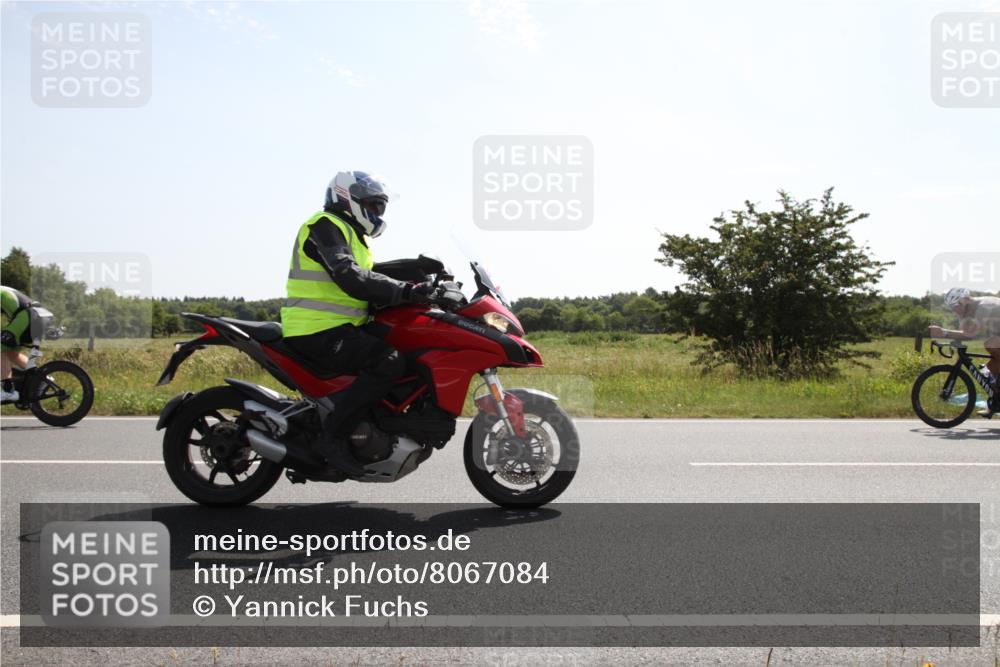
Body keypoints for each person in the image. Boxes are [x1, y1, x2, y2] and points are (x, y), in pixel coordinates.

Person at [280, 171, 436, 476]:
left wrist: (425, 275)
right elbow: (350, 275)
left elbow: (374, 271)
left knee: (402, 346)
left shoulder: (354, 236)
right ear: (348, 199)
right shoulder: (325, 226)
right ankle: (333, 437)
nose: (378, 214)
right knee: (386, 361)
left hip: (342, 327)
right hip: (315, 329)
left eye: (381, 208)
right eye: (374, 206)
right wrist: (405, 291)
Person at [929, 287, 1000, 416]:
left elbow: (970, 334)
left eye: (955, 306)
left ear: (964, 301)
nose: (954, 310)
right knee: (990, 369)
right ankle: (995, 403)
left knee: (991, 344)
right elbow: (962, 332)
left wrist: (944, 332)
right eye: (951, 307)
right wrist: (948, 337)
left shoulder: (983, 308)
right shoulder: (965, 311)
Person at [1, 285, 35, 402]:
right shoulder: (5, 289)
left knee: (1, 347)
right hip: (37, 316)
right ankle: (41, 377)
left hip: (27, 316)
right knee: (11, 352)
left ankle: (8, 390)